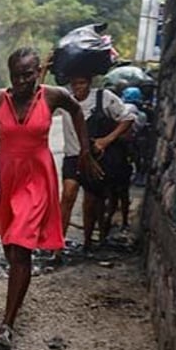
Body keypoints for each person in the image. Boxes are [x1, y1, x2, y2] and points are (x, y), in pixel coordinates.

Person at [0, 48, 98, 350]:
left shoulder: (52, 95)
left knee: (21, 248)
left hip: (36, 180)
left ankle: (7, 324)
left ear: (38, 70)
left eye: (28, 74)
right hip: (6, 179)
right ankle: (16, 296)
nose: (22, 81)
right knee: (10, 246)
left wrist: (84, 151)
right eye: (16, 75)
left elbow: (77, 111)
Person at [60, 76, 134, 248]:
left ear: (89, 82)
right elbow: (37, 98)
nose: (78, 87)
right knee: (68, 195)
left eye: (82, 82)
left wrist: (106, 140)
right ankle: (56, 245)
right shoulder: (64, 99)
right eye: (75, 83)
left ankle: (87, 241)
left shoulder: (104, 97)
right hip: (72, 155)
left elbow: (128, 118)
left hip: (95, 157)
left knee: (91, 200)